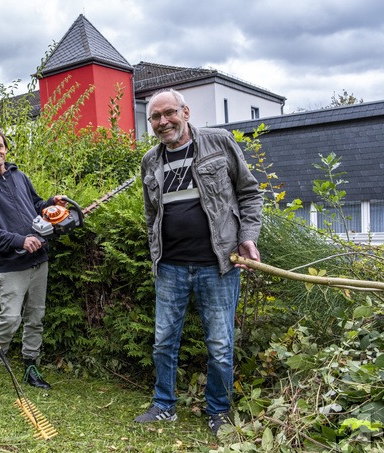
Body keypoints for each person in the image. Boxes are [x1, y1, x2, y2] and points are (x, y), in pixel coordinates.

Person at [136, 89, 263, 434]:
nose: (163, 122)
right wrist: (156, 256)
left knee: (220, 345)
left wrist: (248, 237)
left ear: (186, 112)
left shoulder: (219, 142)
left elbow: (249, 193)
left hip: (218, 265)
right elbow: (152, 215)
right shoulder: (150, 160)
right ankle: (164, 405)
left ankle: (218, 410)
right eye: (155, 118)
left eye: (169, 113)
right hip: (170, 267)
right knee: (163, 341)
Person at [0, 126, 66, 392]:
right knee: (10, 318)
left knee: (36, 316)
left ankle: (31, 364)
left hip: (39, 259)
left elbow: (34, 207)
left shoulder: (19, 176)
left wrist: (51, 204)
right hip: (11, 264)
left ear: (6, 148)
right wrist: (19, 240)